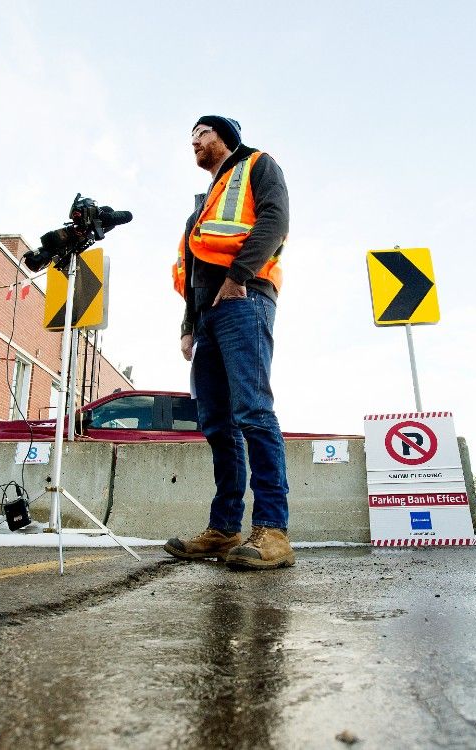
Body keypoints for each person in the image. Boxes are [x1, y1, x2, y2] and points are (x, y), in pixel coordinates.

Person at [164, 115, 294, 570]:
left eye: (201, 133)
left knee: (253, 412)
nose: (194, 142)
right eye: (191, 137)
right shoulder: (199, 208)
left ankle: (274, 531)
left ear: (224, 137)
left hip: (245, 299)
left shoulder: (257, 165)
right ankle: (224, 530)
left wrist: (239, 278)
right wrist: (188, 324)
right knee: (219, 425)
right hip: (207, 319)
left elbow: (276, 220)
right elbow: (194, 272)